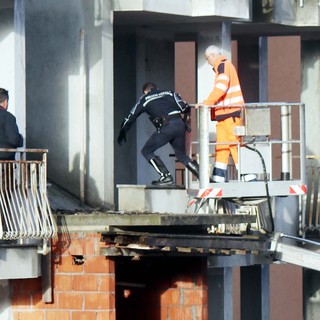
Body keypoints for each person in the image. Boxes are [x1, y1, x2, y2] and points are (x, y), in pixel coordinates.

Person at [117, 82, 199, 186]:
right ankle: (202, 175)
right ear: (157, 88)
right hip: (179, 125)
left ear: (145, 92)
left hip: (166, 127)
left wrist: (123, 131)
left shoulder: (144, 99)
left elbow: (131, 115)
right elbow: (184, 107)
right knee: (182, 155)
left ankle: (166, 176)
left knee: (147, 151)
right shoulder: (170, 93)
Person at [196, 45, 245, 183]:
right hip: (225, 115)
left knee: (235, 146)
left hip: (231, 114)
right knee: (222, 147)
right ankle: (218, 178)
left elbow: (221, 88)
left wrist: (206, 103)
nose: (208, 62)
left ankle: (248, 177)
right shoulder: (223, 66)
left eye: (207, 59)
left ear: (212, 56)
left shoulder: (223, 66)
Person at [0, 88, 23, 160]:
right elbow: (14, 140)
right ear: (6, 101)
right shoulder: (8, 117)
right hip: (4, 163)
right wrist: (20, 139)